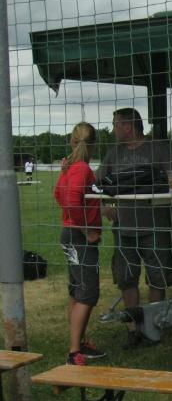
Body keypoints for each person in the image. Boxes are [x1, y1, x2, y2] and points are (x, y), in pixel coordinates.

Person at [94, 108, 172, 349]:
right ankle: (133, 329)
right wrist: (105, 204)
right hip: (123, 228)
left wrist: (157, 186)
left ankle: (153, 328)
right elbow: (97, 183)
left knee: (157, 278)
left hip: (154, 225)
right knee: (126, 279)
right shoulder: (114, 153)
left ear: (128, 127)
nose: (113, 129)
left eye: (115, 124)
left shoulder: (159, 149)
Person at [53, 122, 106, 365]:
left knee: (77, 289)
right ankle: (75, 353)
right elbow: (72, 201)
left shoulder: (70, 167)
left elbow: (58, 195)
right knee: (88, 291)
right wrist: (87, 230)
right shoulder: (81, 168)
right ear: (93, 144)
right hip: (78, 237)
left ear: (72, 141)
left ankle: (79, 343)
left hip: (70, 234)